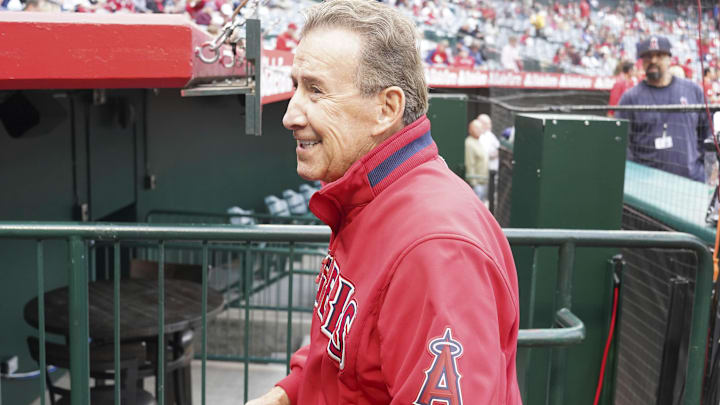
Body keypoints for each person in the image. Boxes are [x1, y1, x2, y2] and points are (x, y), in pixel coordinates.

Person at [246, 1, 522, 404]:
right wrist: (285, 395)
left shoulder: (437, 249)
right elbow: (344, 351)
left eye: (316, 90)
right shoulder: (368, 197)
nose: (290, 115)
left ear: (386, 109)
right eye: (296, 86)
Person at [617, 36, 710, 182]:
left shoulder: (692, 90)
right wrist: (635, 176)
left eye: (659, 55)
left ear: (669, 58)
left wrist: (702, 167)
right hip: (647, 186)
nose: (653, 61)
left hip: (690, 182)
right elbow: (621, 143)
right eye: (648, 56)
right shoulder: (630, 98)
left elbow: (708, 132)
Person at [465, 119, 489, 200]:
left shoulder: (479, 141)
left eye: (480, 128)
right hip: (477, 184)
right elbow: (470, 164)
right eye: (476, 128)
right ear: (470, 129)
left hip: (484, 181)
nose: (479, 130)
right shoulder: (469, 143)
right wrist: (474, 183)